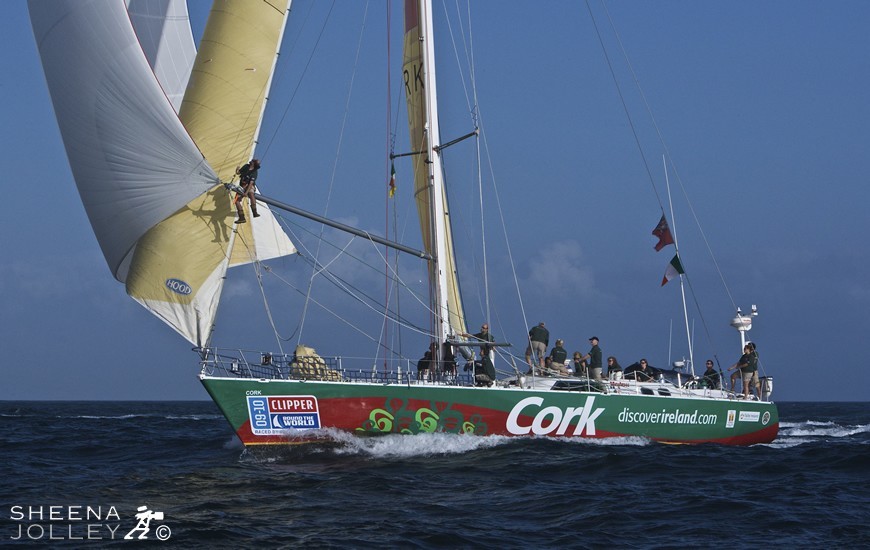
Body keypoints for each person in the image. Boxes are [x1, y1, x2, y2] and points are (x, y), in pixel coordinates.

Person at [234, 158, 261, 223]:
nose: (251, 160)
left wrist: (246, 193)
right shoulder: (246, 166)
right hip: (242, 186)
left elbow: (251, 183)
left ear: (254, 163)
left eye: (253, 160)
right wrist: (237, 169)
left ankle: (254, 212)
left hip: (249, 186)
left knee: (251, 194)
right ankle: (242, 217)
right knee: (237, 201)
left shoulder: (254, 172)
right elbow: (238, 173)